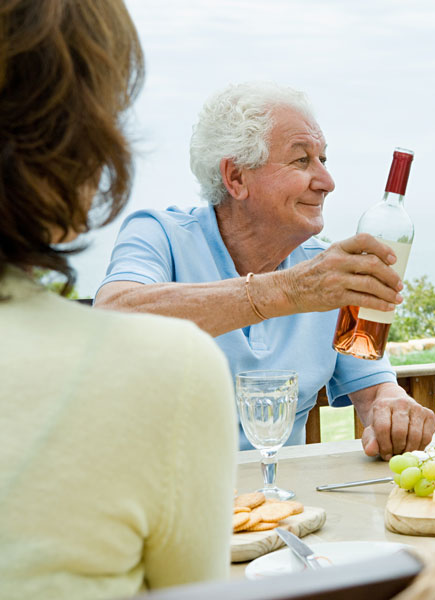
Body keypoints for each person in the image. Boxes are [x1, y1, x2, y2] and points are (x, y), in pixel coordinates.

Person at [0, 0, 236, 597]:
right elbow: (119, 309)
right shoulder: (167, 367)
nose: (325, 179)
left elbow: (370, 377)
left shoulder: (326, 258)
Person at [94, 82, 435, 458]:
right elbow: (112, 321)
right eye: (302, 160)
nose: (327, 182)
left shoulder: (325, 271)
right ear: (237, 178)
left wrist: (393, 407)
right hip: (165, 505)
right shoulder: (161, 235)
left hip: (285, 504)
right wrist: (288, 292)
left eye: (324, 160)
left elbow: (374, 391)